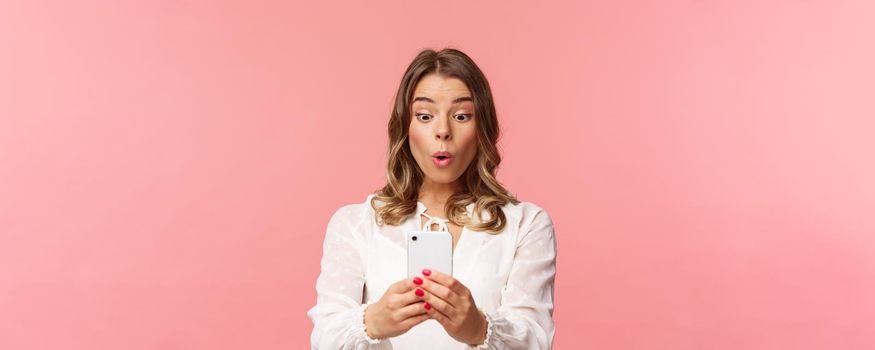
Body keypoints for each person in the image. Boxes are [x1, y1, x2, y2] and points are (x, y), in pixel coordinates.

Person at [307, 48, 557, 349]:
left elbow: (536, 340)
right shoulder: (355, 224)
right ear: (405, 127)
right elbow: (324, 340)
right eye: (425, 116)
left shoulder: (526, 225)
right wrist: (373, 322)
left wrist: (479, 328)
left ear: (482, 129)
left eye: (462, 116)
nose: (443, 131)